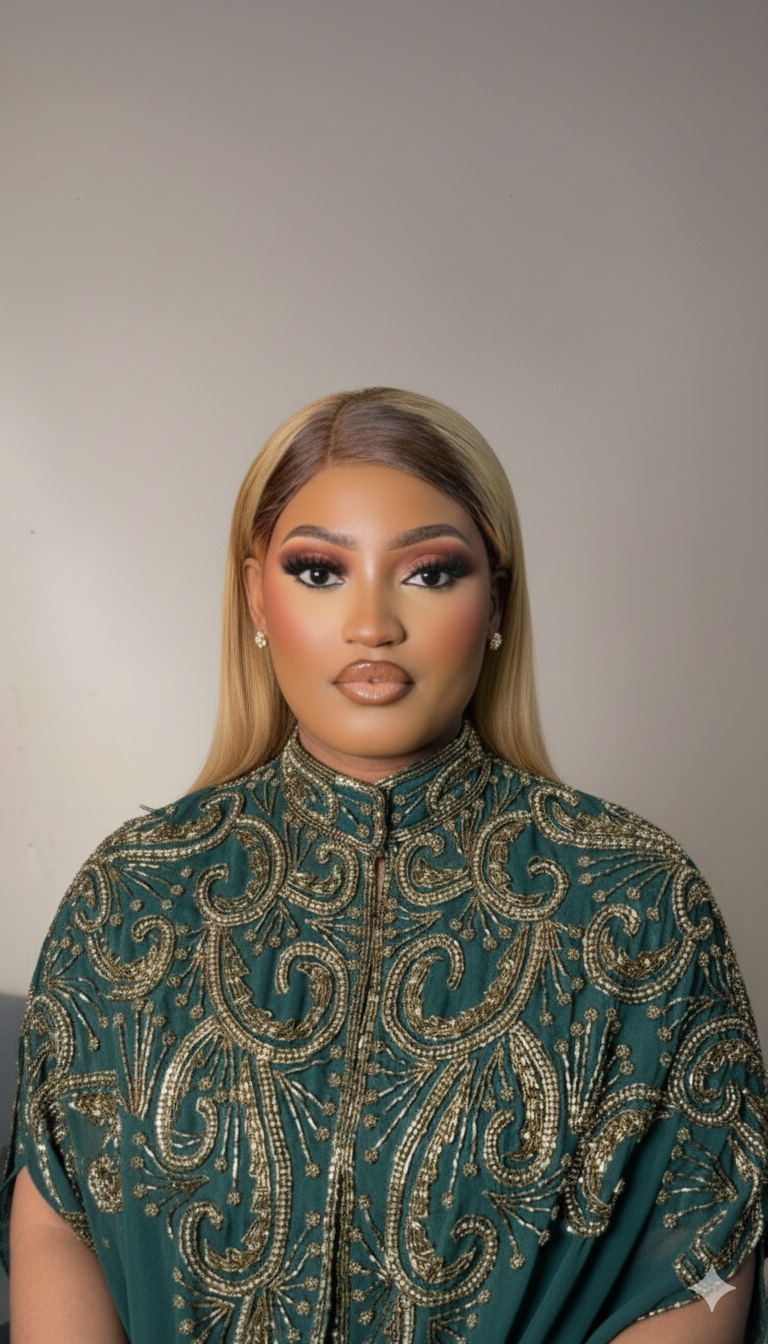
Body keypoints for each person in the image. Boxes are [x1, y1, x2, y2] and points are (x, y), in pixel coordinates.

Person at [2, 387, 766, 1344]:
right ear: (257, 598)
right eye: (320, 571)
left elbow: (702, 1255)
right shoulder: (131, 895)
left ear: (497, 600)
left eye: (430, 572)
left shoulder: (638, 903)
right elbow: (57, 1212)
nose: (372, 624)